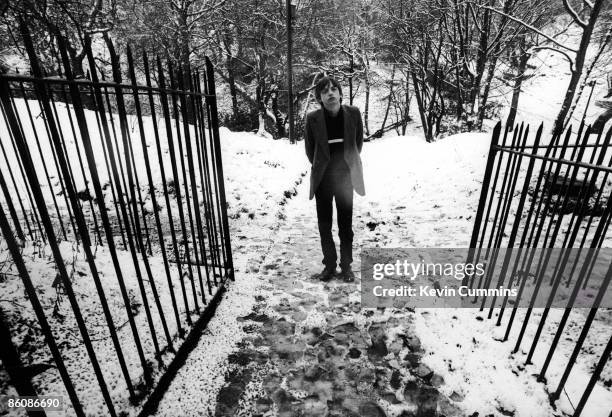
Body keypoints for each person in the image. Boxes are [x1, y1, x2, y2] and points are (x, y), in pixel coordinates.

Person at [304, 76, 365, 282]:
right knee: (324, 225)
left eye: (333, 89)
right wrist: (323, 166)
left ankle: (346, 267)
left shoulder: (354, 114)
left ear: (340, 93)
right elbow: (310, 150)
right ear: (320, 98)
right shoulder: (313, 119)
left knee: (345, 225)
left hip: (346, 179)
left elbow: (357, 144)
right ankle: (329, 266)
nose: (330, 93)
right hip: (323, 180)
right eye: (324, 91)